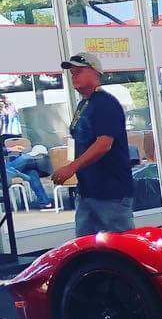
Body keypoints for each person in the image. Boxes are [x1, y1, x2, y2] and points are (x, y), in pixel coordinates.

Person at [50, 51, 134, 236]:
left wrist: (72, 167)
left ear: (95, 72)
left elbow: (104, 143)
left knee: (121, 248)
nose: (74, 76)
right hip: (88, 190)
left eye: (79, 71)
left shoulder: (106, 103)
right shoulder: (84, 105)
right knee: (85, 249)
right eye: (72, 73)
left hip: (111, 192)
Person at [3, 138, 54, 208]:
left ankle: (44, 202)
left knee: (32, 172)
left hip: (10, 167)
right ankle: (7, 171)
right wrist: (10, 149)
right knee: (25, 158)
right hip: (4, 168)